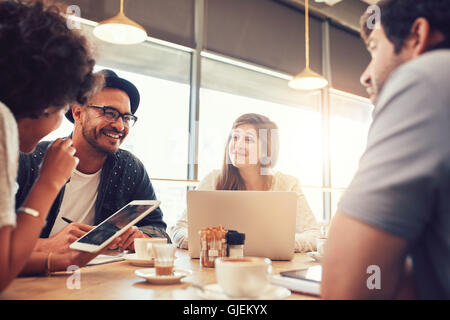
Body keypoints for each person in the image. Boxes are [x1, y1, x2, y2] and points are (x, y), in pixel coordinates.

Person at [321, 0, 450, 299]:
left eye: (375, 48)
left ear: (417, 36)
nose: (365, 75)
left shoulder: (427, 77)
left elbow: (346, 288)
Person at [0, 0, 106, 291]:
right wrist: (50, 181)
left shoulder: (127, 166)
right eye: (61, 108)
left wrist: (58, 261)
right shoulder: (2, 122)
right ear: (41, 98)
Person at [15, 69, 171, 258]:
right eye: (109, 113)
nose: (120, 126)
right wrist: (48, 245)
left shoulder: (129, 168)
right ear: (78, 113)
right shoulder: (31, 159)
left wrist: (140, 237)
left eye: (126, 117)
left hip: (96, 279)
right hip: (29, 279)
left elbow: (158, 229)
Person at [170, 113, 320, 252]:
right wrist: (219, 243)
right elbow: (180, 229)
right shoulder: (213, 180)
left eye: (248, 140)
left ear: (265, 150)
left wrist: (276, 244)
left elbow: (314, 235)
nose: (238, 145)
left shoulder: (288, 185)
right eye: (235, 137)